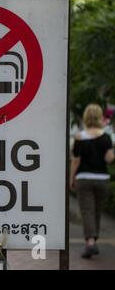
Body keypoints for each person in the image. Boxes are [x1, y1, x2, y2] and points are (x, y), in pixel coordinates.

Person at [70, 103, 114, 259]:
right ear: (100, 117)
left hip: (84, 179)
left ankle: (90, 243)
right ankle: (93, 240)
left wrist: (71, 178)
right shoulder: (106, 137)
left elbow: (76, 160)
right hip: (102, 180)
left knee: (87, 211)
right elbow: (109, 159)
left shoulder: (80, 137)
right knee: (96, 211)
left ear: (86, 117)